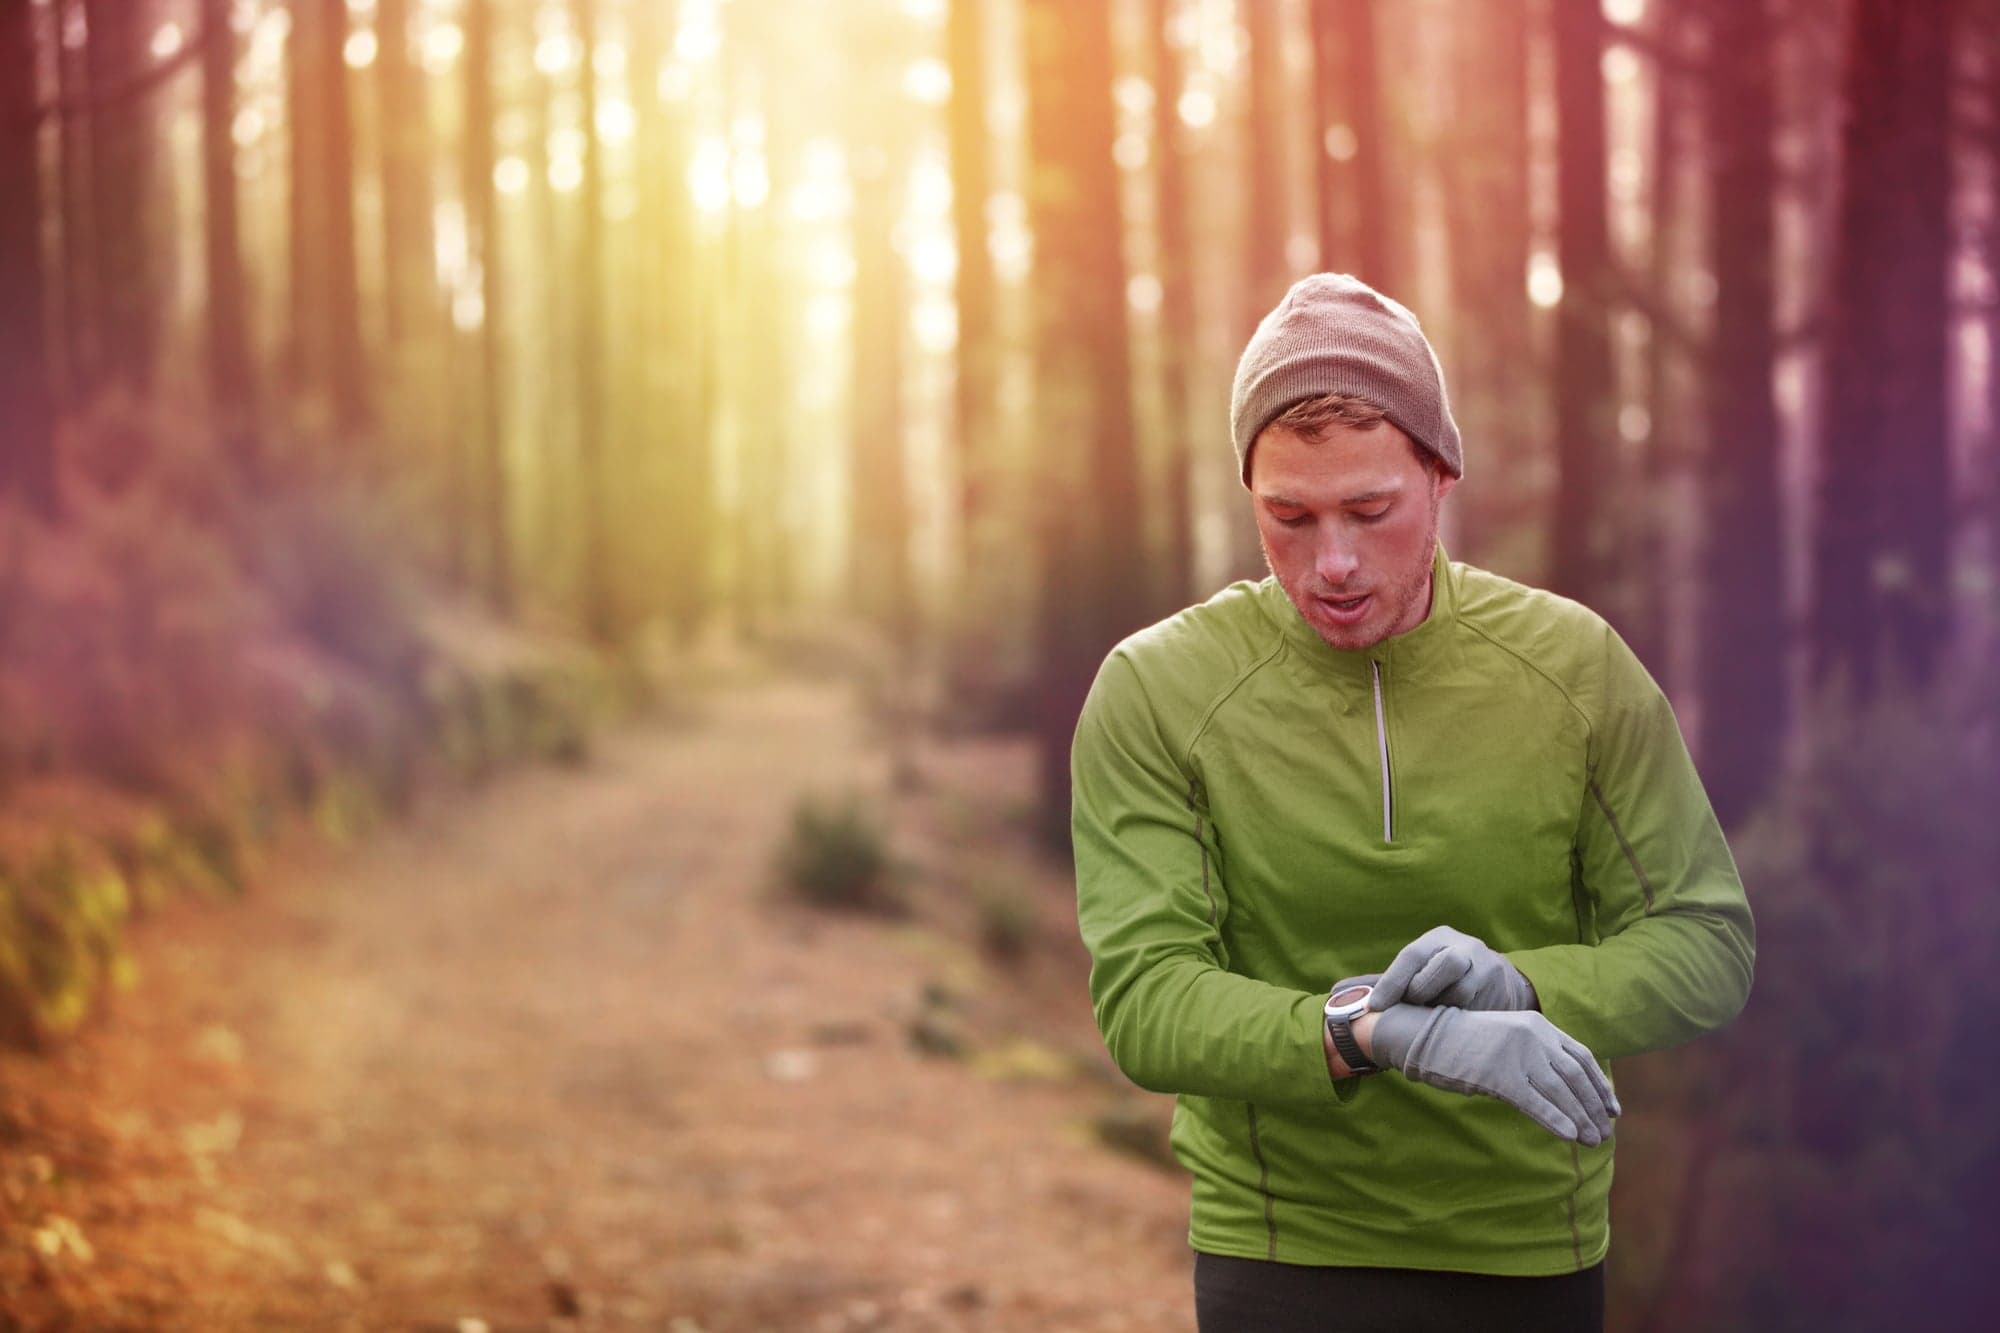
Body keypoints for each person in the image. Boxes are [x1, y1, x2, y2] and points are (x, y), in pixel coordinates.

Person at [1070, 272, 1755, 1332]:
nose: (1332, 564)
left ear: (1440, 476)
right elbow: (1148, 1000)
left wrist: (1523, 987)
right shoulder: (1157, 688)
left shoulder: (1574, 668)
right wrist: (1374, 1032)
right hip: (1279, 1248)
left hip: (1528, 1250)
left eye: (1369, 510)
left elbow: (1708, 945)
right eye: (1288, 517)